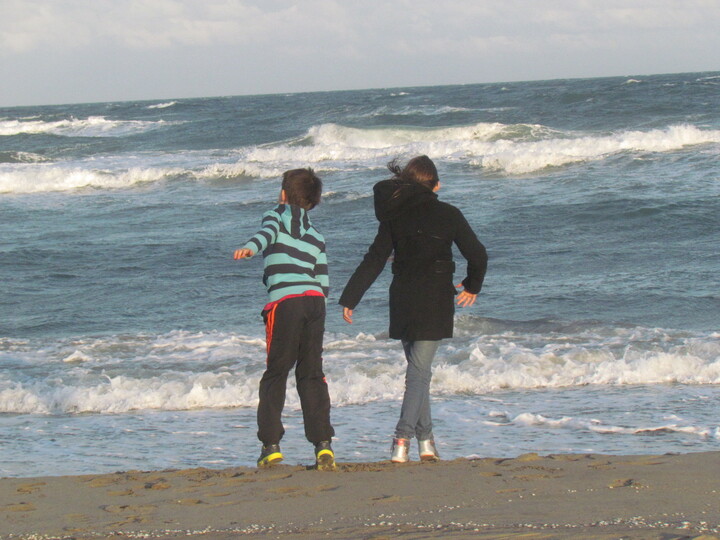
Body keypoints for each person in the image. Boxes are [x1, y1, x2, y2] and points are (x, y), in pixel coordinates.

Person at [339, 155, 487, 463]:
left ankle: (427, 442)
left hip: (403, 299)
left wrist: (351, 297)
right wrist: (472, 286)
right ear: (434, 185)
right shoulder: (449, 213)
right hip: (435, 301)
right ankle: (402, 439)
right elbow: (478, 254)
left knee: (419, 373)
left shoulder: (394, 217)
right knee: (419, 374)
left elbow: (374, 259)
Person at [234, 168, 335, 470]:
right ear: (313, 203)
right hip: (315, 303)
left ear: (282, 195)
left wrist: (250, 249)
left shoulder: (275, 215)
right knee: (312, 373)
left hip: (286, 304)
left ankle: (271, 445)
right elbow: (324, 279)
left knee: (276, 373)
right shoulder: (317, 235)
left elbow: (264, 235)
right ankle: (323, 445)